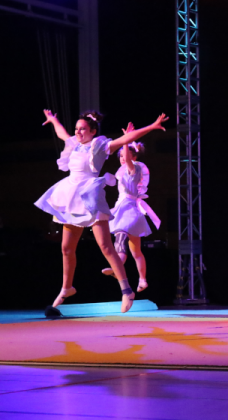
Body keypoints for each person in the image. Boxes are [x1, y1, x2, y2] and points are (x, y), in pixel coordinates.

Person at [36, 110, 169, 312]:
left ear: (92, 131)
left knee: (106, 246)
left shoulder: (99, 146)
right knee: (66, 247)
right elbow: (62, 133)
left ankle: (127, 290)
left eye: (82, 129)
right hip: (71, 197)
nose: (78, 132)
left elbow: (126, 138)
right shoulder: (74, 144)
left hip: (90, 196)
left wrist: (152, 126)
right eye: (77, 129)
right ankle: (67, 287)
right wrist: (54, 120)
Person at [102, 123, 161, 293]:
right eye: (120, 156)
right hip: (133, 211)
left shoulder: (133, 168)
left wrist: (126, 141)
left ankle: (116, 267)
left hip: (127, 210)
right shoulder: (129, 170)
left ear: (133, 156)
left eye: (125, 155)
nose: (122, 158)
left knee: (120, 239)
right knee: (136, 251)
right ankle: (142, 280)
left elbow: (127, 160)